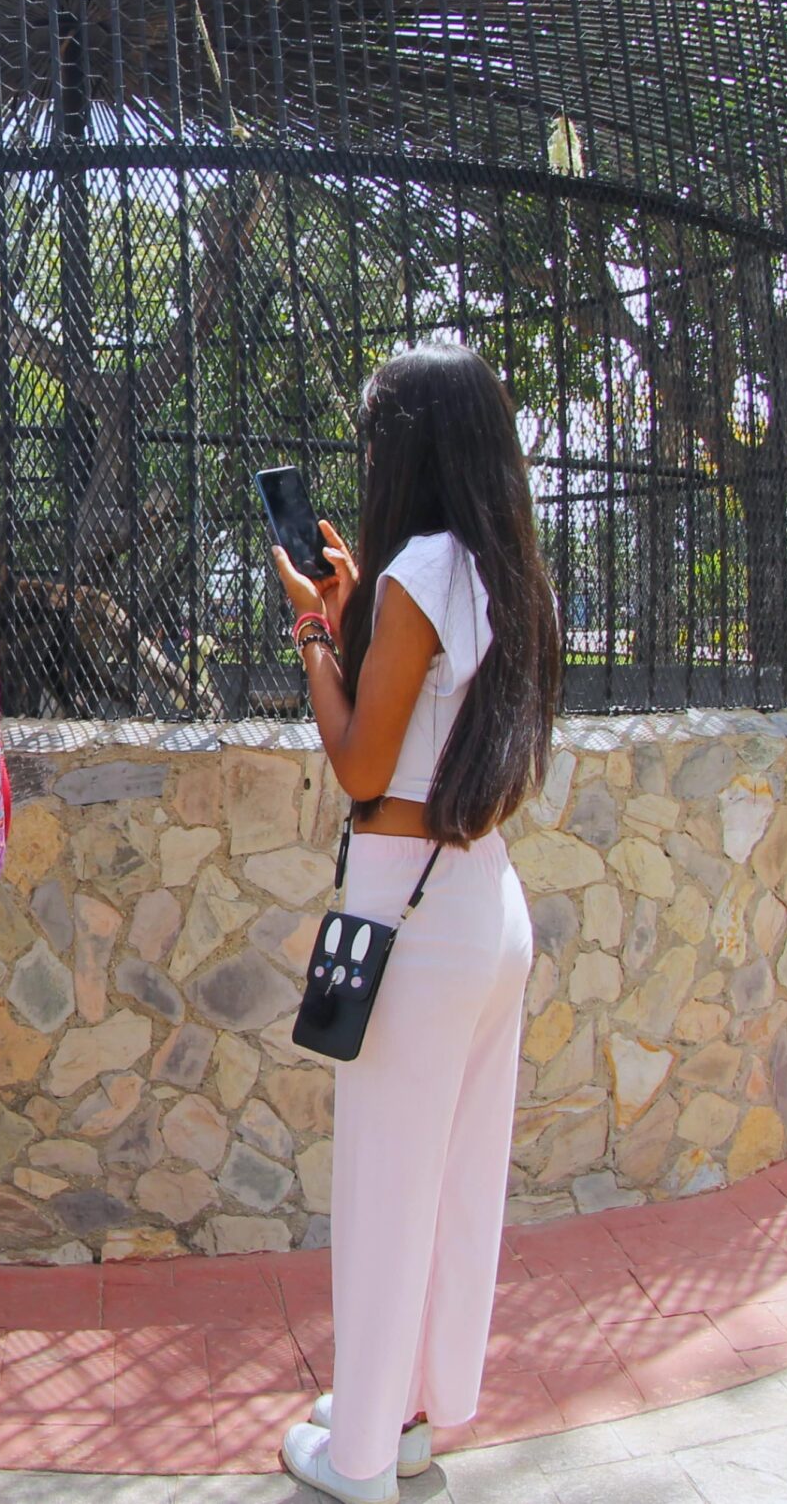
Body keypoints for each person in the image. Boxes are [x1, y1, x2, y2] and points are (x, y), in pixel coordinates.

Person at [268, 341, 561, 1504]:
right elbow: (428, 728)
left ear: (407, 446)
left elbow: (359, 764)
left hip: (410, 907)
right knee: (454, 1186)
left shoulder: (420, 571)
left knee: (387, 1187)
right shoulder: (505, 570)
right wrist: (353, 618)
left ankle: (359, 1463)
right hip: (485, 896)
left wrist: (307, 633)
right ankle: (414, 1411)